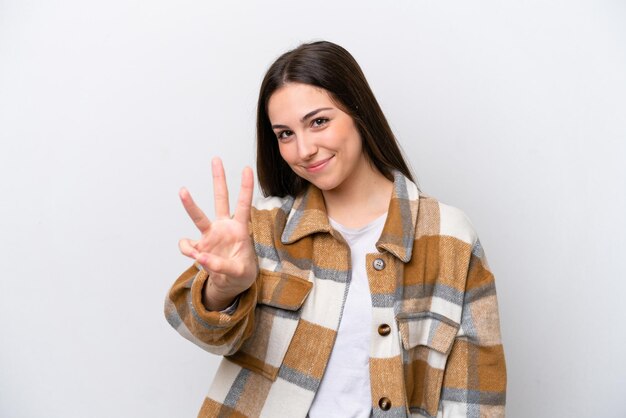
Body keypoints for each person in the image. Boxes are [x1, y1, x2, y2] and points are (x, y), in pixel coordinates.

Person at [164, 40, 506, 418]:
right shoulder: (262, 228)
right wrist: (223, 289)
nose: (304, 149)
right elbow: (191, 324)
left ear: (359, 112)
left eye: (319, 122)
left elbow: (477, 399)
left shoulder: (449, 237)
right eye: (285, 134)